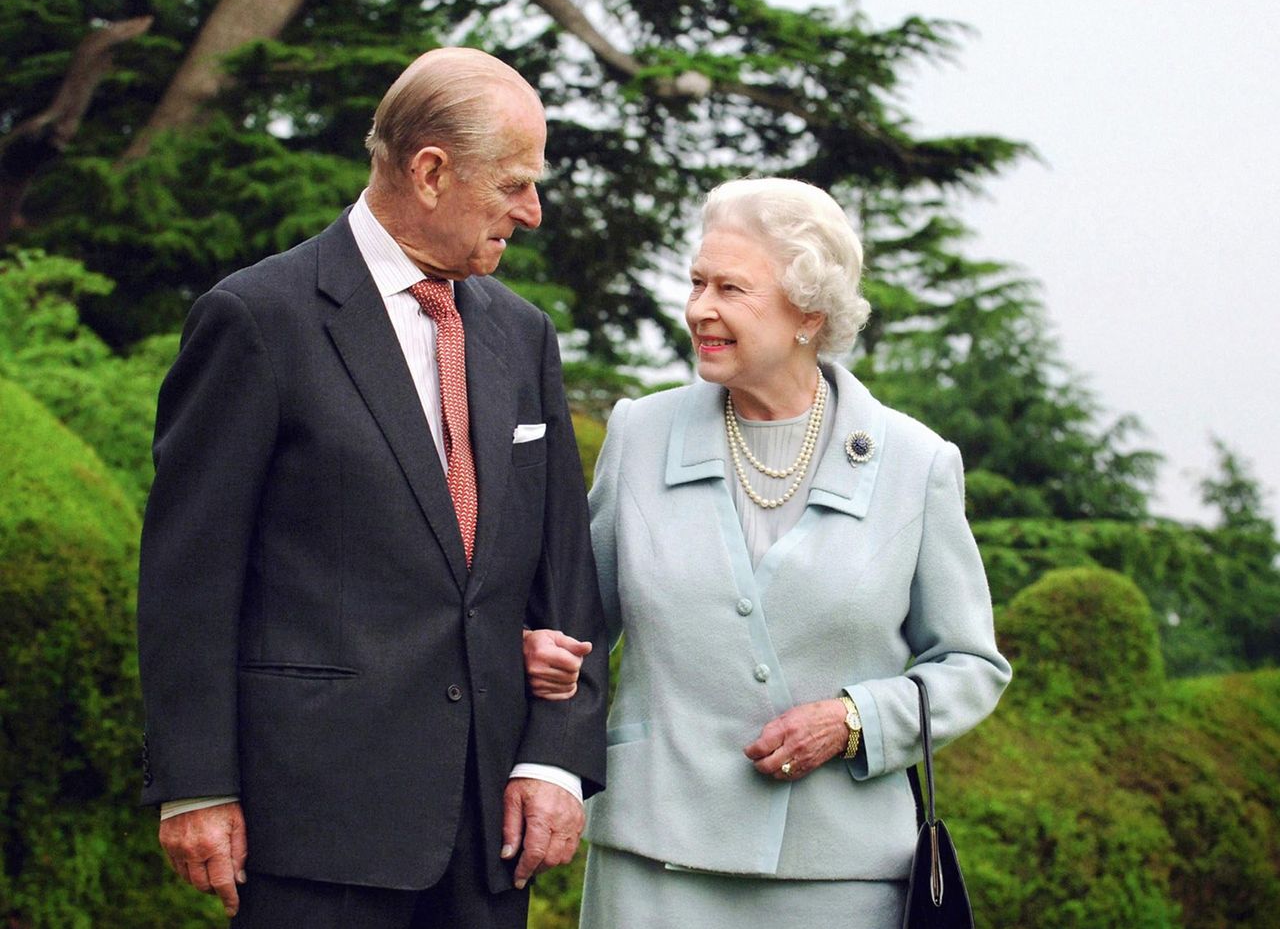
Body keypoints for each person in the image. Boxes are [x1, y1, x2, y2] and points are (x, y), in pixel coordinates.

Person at [136, 47, 607, 928]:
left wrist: (554, 760)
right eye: (515, 183)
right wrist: (194, 784)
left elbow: (563, 574)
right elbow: (187, 578)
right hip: (314, 824)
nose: (533, 213)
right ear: (430, 171)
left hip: (488, 832)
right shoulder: (256, 318)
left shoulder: (523, 333)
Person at [526, 177, 1011, 927]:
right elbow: (577, 621)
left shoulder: (915, 463)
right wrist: (537, 649)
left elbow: (971, 665)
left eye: (730, 288)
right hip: (654, 864)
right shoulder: (640, 434)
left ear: (808, 314)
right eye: (695, 282)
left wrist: (857, 720)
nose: (699, 309)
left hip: (840, 878)